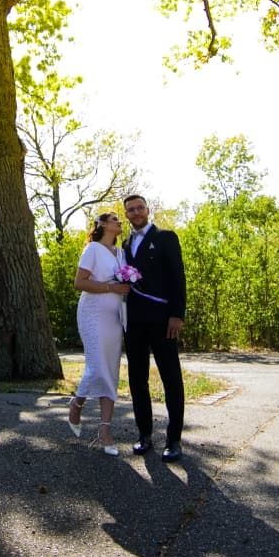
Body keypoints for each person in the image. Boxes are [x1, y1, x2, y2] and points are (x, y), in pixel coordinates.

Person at [122, 193, 187, 462]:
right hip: (134, 322)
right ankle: (144, 434)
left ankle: (173, 439)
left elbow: (177, 277)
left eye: (140, 208)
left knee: (171, 378)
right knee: (137, 379)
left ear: (148, 210)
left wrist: (176, 315)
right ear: (126, 214)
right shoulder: (124, 245)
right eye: (131, 210)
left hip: (162, 321)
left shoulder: (165, 238)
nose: (136, 213)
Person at [69, 212, 132, 456]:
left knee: (111, 369)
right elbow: (80, 282)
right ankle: (77, 404)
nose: (119, 222)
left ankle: (105, 430)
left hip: (115, 317)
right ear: (103, 225)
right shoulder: (93, 249)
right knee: (96, 367)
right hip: (93, 315)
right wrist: (111, 287)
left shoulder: (121, 253)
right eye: (115, 219)